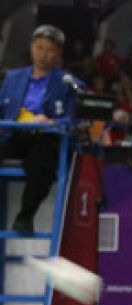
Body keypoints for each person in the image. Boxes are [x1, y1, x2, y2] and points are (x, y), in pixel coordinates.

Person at [0, 25, 79, 234]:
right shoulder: (12, 77)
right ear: (31, 48)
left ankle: (25, 217)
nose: (43, 54)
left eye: (50, 49)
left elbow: (74, 119)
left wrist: (53, 121)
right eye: (39, 47)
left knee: (41, 165)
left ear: (59, 53)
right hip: (12, 135)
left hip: (45, 139)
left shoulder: (68, 83)